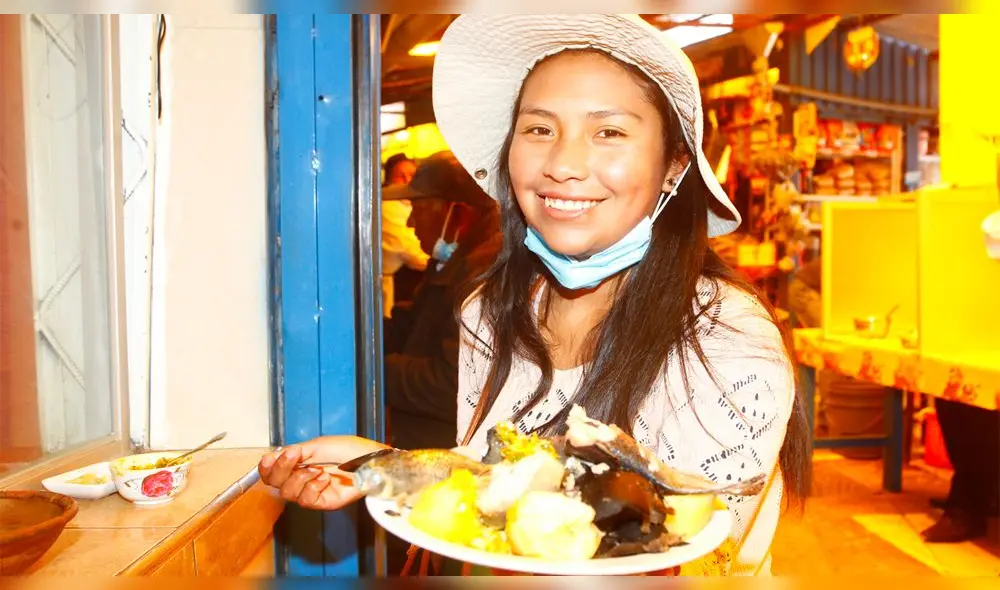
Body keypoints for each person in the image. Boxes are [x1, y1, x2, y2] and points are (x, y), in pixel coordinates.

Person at [259, 14, 811, 576]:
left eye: (609, 132)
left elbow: (685, 548)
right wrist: (378, 465)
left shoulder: (725, 339)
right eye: (540, 129)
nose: (563, 166)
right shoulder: (491, 310)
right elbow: (504, 479)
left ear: (673, 165)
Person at [381, 155, 429, 318]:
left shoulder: (410, 204)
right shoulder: (387, 207)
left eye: (412, 175)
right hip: (396, 285)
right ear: (389, 180)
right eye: (400, 176)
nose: (407, 180)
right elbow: (410, 251)